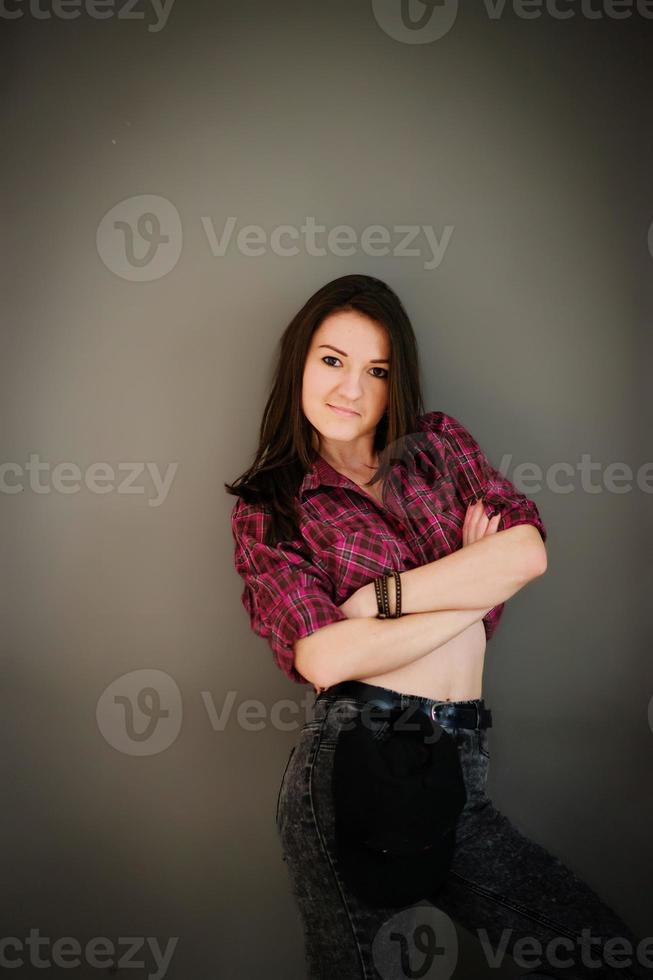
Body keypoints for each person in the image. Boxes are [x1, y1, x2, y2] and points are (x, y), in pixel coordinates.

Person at [225, 274, 649, 980]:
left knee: (598, 949)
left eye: (377, 371)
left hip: (461, 766)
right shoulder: (270, 506)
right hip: (352, 769)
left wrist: (380, 599)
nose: (351, 390)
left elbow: (525, 552)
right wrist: (468, 583)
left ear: (399, 383)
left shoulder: (439, 446)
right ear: (298, 361)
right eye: (332, 360)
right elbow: (325, 659)